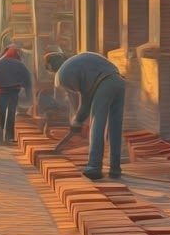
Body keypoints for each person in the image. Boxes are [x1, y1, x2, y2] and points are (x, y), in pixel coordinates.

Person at [45, 51, 126, 180]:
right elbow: (81, 100)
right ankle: (115, 169)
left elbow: (86, 100)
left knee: (97, 123)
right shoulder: (73, 64)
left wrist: (78, 120)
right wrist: (77, 119)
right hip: (118, 80)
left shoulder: (61, 76)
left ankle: (94, 167)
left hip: (104, 83)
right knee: (115, 127)